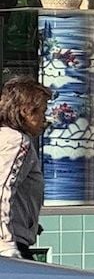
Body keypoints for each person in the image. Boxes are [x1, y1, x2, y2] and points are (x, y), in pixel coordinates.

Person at [0, 77, 50, 260]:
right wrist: (5, 244)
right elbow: (3, 188)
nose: (45, 119)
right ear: (26, 111)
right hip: (10, 248)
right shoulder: (17, 142)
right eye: (42, 112)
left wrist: (30, 224)